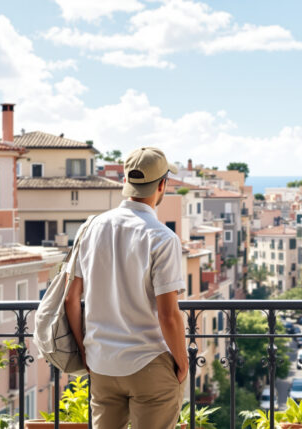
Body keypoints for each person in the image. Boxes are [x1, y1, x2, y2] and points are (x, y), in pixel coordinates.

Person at [65, 147, 188, 429]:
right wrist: (182, 363)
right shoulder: (162, 238)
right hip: (148, 364)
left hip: (102, 363)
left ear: (125, 182)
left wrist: (85, 350)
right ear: (161, 185)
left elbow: (72, 299)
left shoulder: (91, 227)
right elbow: (168, 316)